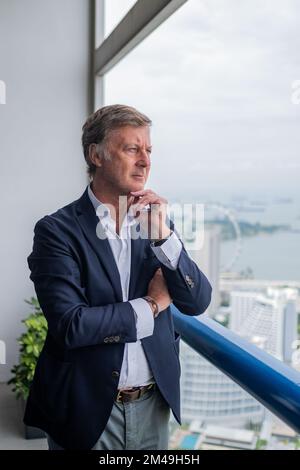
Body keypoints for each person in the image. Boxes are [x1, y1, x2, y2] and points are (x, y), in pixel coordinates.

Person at [24, 104, 212, 450]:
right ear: (96, 154)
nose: (145, 161)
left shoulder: (155, 223)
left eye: (148, 150)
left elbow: (197, 301)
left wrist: (162, 236)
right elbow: (71, 325)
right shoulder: (57, 231)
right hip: (87, 407)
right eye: (132, 149)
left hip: (154, 405)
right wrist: (152, 305)